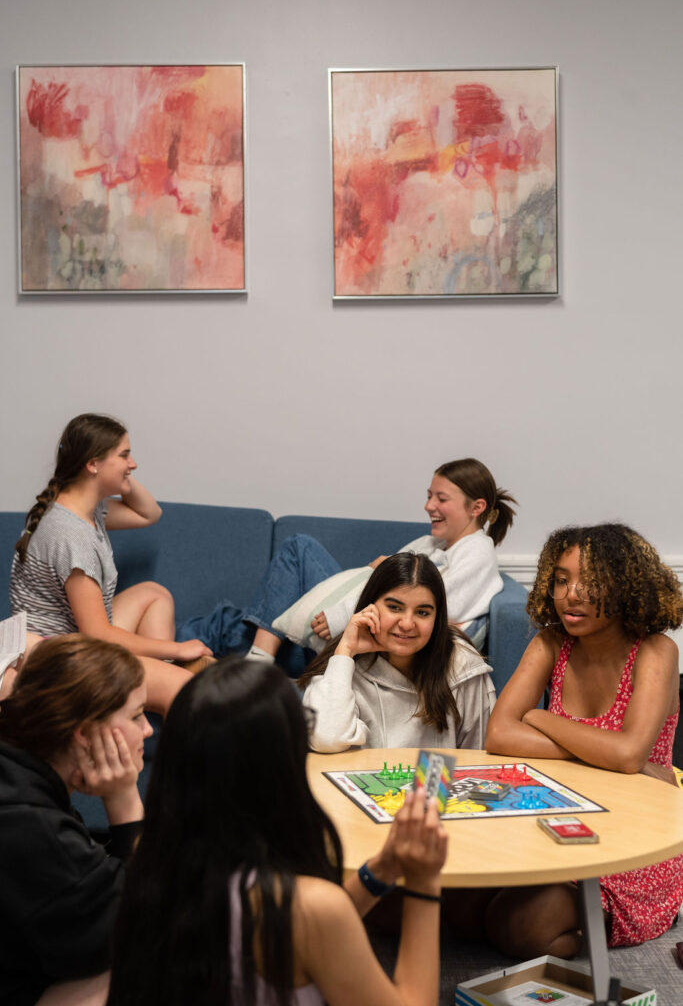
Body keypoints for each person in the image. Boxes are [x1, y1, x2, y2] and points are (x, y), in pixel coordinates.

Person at [106, 658, 449, 1006]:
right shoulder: (310, 907)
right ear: (279, 768)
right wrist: (423, 885)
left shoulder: (151, 858)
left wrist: (380, 871)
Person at [483, 523, 683, 957]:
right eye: (561, 579)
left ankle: (592, 930)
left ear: (628, 587)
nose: (571, 594)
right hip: (554, 825)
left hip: (632, 845)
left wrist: (538, 717)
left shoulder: (656, 651)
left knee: (518, 927)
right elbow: (498, 734)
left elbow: (629, 754)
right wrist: (604, 753)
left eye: (591, 583)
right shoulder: (551, 642)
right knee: (451, 899)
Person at [178, 456, 516, 670]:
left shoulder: (477, 552)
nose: (429, 506)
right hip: (348, 629)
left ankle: (243, 663)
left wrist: (343, 615)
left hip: (354, 640)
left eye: (441, 498)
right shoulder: (431, 543)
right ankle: (239, 659)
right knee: (229, 623)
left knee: (294, 552)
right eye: (429, 495)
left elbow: (435, 605)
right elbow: (382, 584)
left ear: (477, 508)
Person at [10, 414, 212, 714]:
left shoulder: (84, 510)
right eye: (125, 455)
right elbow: (97, 634)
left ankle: (142, 685)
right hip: (59, 661)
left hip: (74, 636)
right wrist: (178, 649)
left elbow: (149, 514)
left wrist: (121, 476)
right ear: (92, 464)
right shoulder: (70, 536)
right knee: (187, 689)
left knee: (153, 594)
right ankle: (156, 687)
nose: (134, 463)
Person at [0, 633, 153, 1006]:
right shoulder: (30, 826)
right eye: (135, 716)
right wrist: (124, 799)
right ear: (84, 733)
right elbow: (144, 918)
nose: (148, 729)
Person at [299, 552, 496, 752]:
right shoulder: (343, 662)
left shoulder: (462, 664)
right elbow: (325, 739)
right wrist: (345, 650)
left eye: (422, 612)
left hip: (437, 783)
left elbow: (478, 757)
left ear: (437, 617)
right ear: (370, 606)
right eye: (394, 607)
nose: (407, 624)